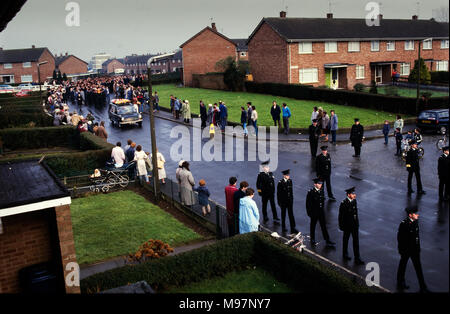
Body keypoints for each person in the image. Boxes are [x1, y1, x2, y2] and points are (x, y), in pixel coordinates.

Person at [397, 206, 429, 292]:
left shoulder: (415, 222)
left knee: (418, 268)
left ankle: (423, 287)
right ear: (410, 215)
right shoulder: (404, 224)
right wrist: (401, 250)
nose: (418, 215)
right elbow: (400, 239)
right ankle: (400, 282)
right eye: (415, 213)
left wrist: (418, 248)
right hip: (406, 250)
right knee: (402, 266)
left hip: (415, 250)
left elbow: (416, 238)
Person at [338, 187, 364, 265]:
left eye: (354, 193)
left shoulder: (354, 201)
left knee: (356, 242)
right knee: (346, 240)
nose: (354, 195)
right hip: (347, 226)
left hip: (354, 226)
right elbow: (341, 216)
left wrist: (357, 224)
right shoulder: (344, 203)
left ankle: (357, 258)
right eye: (353, 194)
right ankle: (345, 254)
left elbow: (355, 214)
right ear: (348, 195)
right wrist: (341, 226)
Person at [306, 178, 335, 247]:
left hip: (321, 212)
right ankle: (312, 239)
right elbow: (308, 204)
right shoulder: (311, 192)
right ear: (315, 184)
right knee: (313, 226)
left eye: (321, 183)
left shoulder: (321, 191)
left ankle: (327, 240)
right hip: (314, 212)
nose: (320, 185)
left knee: (323, 226)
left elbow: (322, 202)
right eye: (319, 183)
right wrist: (309, 213)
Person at [277, 169, 297, 234]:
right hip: (283, 202)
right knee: (283, 214)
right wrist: (279, 202)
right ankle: (283, 227)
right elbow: (278, 194)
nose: (288, 176)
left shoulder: (290, 181)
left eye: (288, 175)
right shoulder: (280, 183)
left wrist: (292, 200)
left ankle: (293, 228)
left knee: (291, 214)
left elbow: (291, 192)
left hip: (289, 201)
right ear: (284, 175)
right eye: (287, 175)